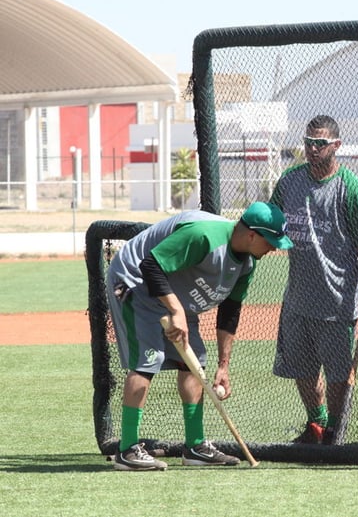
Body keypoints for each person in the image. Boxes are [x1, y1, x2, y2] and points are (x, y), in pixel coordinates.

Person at [106, 201, 293, 471]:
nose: (275, 248)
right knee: (148, 360)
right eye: (272, 241)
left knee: (195, 362)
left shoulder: (247, 264)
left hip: (174, 290)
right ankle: (127, 450)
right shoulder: (203, 235)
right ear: (252, 234)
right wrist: (175, 310)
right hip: (134, 279)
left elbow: (230, 310)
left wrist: (224, 366)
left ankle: (194, 446)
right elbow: (150, 265)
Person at [270, 114, 358, 446]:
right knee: (302, 369)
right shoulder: (289, 182)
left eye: (319, 143)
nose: (312, 149)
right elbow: (270, 222)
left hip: (337, 300)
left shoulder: (351, 187)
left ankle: (335, 428)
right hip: (298, 298)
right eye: (308, 142)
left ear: (336, 145)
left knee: (337, 374)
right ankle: (316, 424)